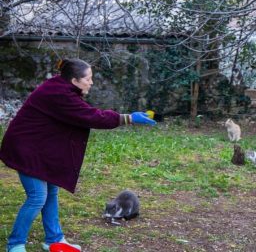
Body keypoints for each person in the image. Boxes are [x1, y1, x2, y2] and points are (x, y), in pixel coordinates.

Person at [0, 58, 156, 252]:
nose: (91, 82)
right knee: (37, 197)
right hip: (25, 149)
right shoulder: (59, 94)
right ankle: (15, 244)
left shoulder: (61, 87)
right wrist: (129, 118)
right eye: (88, 79)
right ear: (74, 80)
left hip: (40, 149)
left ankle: (54, 240)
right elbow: (91, 116)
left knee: (51, 193)